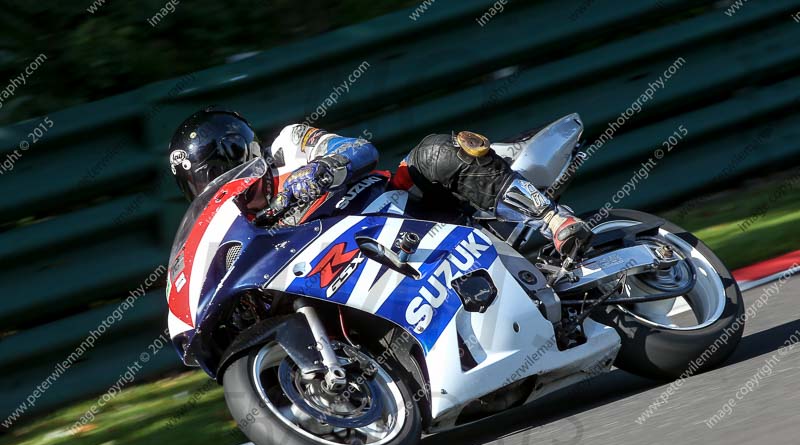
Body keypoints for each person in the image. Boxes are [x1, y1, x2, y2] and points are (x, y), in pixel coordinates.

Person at [168, 107, 590, 257]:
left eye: (217, 167)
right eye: (201, 180)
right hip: (367, 265)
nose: (215, 184)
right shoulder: (242, 233)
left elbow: (360, 150)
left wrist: (321, 171)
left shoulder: (288, 147)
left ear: (241, 150)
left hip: (406, 208)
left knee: (432, 152)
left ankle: (551, 219)